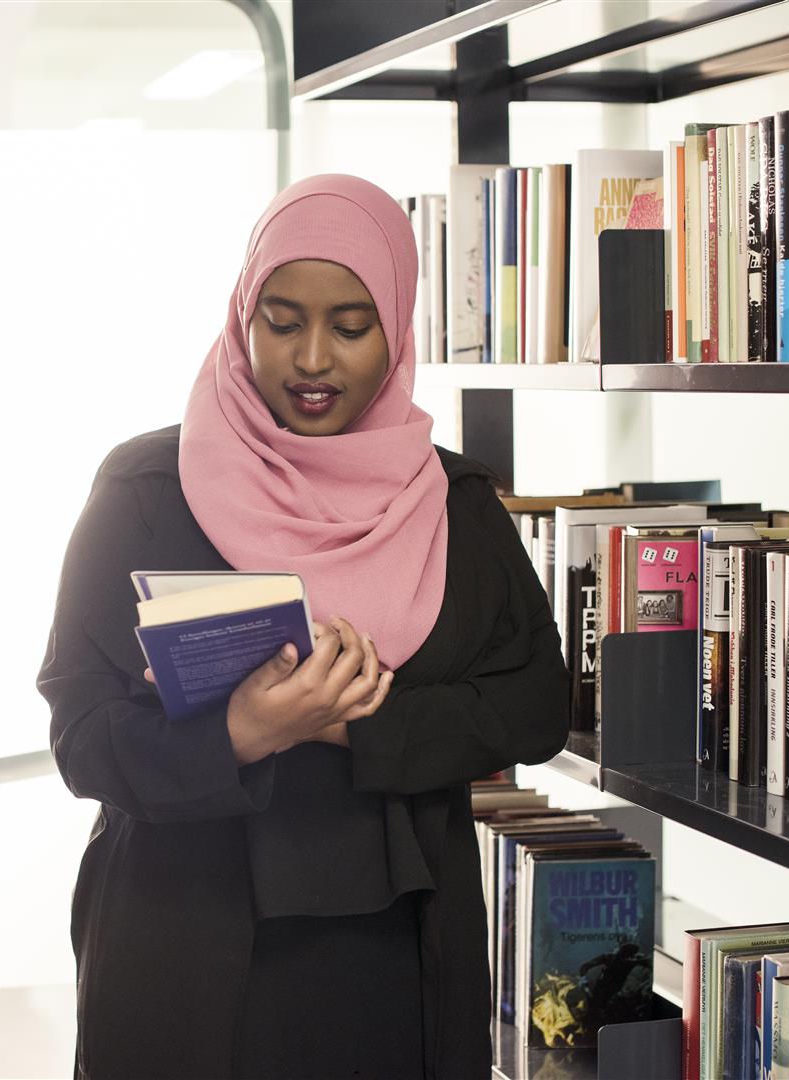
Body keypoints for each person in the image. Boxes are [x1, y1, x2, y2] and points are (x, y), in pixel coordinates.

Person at [37, 174, 569, 1080]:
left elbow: (535, 707)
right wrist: (244, 732)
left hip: (396, 958)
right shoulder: (144, 491)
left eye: (351, 326)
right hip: (178, 944)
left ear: (396, 327)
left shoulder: (455, 504)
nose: (312, 358)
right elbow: (82, 738)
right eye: (280, 321)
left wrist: (349, 721)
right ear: (241, 316)